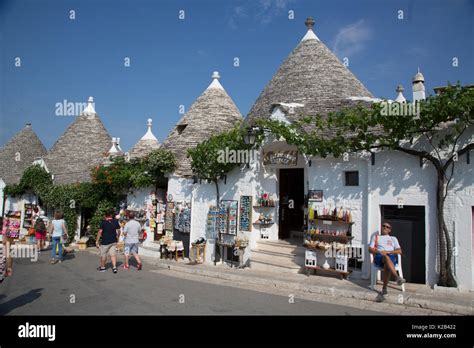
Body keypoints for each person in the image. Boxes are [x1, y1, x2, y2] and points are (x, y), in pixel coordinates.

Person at [369, 222, 406, 295]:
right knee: (385, 257)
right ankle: (397, 277)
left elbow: (399, 250)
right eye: (384, 226)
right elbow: (370, 249)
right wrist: (378, 251)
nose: (385, 227)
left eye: (387, 227)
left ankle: (384, 289)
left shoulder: (393, 238)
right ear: (382, 227)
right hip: (379, 256)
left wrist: (387, 252)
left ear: (390, 230)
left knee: (387, 264)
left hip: (390, 256)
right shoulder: (376, 237)